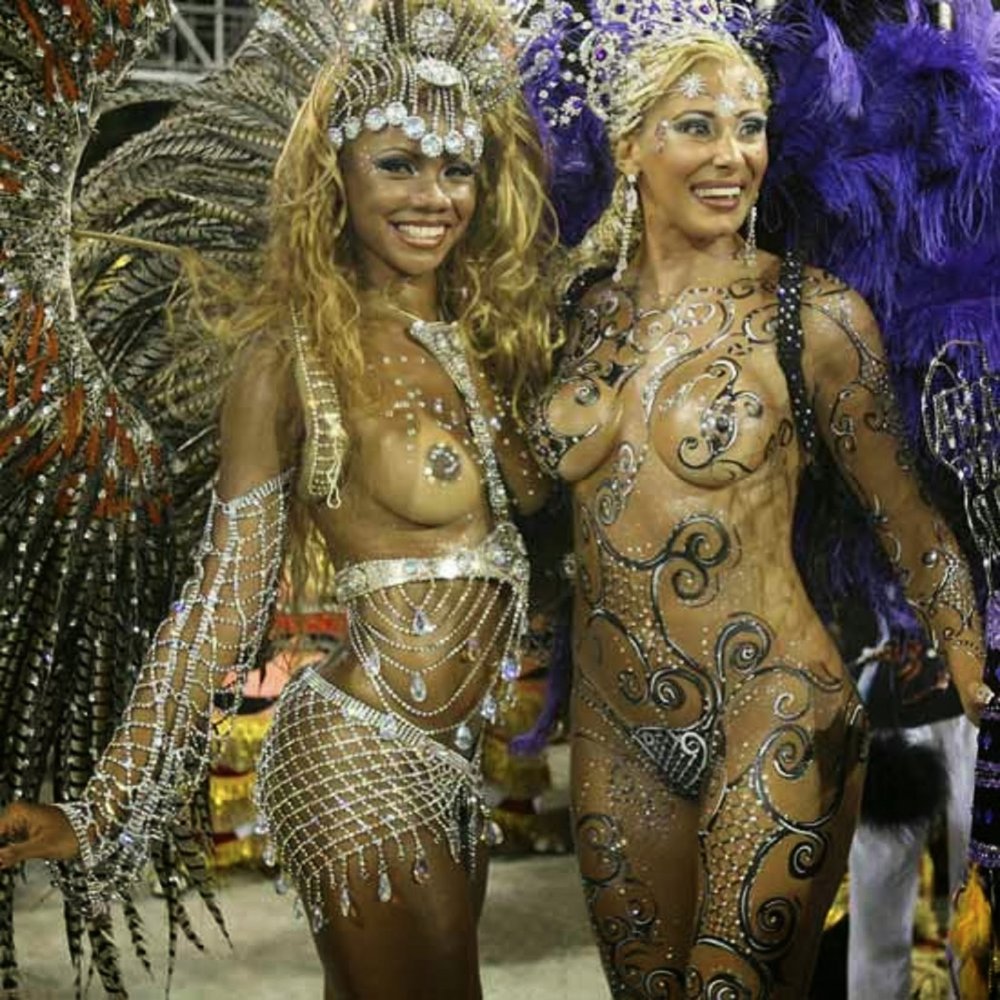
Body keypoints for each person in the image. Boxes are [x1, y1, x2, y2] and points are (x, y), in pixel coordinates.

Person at [0, 0, 560, 996]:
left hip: (451, 760)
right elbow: (222, 600)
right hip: (358, 751)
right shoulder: (293, 361)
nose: (433, 195)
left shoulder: (484, 344)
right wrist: (100, 806)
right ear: (336, 178)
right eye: (398, 163)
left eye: (456, 167)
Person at [527, 19, 992, 1000]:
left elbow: (908, 522)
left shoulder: (811, 319)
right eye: (697, 125)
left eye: (750, 127)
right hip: (614, 737)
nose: (731, 155)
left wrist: (976, 674)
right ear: (629, 146)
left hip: (775, 714)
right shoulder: (572, 316)